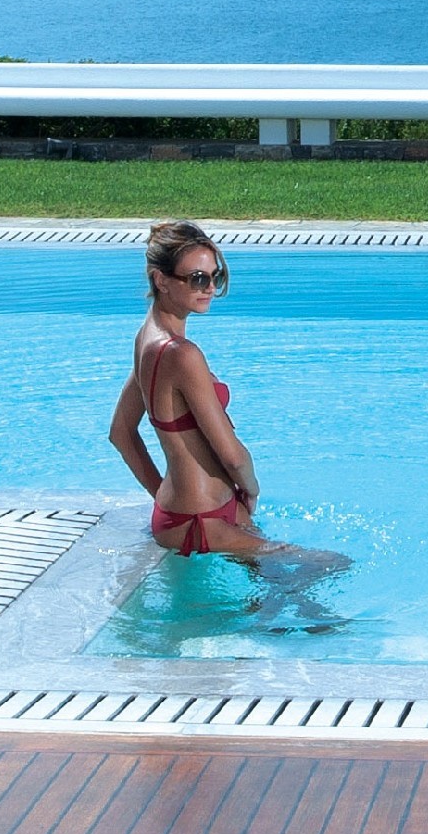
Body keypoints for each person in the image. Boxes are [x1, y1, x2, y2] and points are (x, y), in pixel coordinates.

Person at [107, 220, 335, 577]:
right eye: (198, 279)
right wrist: (252, 490)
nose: (210, 288)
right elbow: (232, 455)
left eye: (216, 277)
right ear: (161, 280)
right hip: (200, 521)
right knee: (328, 565)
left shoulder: (147, 342)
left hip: (194, 513)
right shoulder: (181, 354)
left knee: (277, 586)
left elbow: (120, 433)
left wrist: (164, 500)